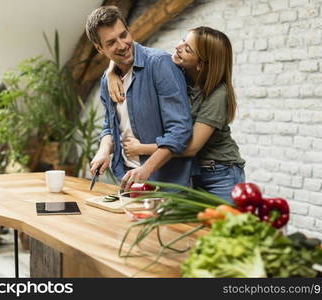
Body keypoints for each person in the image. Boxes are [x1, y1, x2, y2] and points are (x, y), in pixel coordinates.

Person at [107, 26, 245, 203]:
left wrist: (141, 148)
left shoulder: (218, 94)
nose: (178, 47)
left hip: (220, 173)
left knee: (221, 228)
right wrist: (111, 71)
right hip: (193, 172)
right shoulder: (181, 73)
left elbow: (192, 146)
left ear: (200, 64)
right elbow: (136, 52)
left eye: (187, 49)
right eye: (183, 40)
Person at [86, 6, 194, 191]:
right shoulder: (107, 80)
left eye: (123, 35)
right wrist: (104, 151)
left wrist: (146, 169)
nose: (122, 45)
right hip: (127, 180)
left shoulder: (160, 64)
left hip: (166, 184)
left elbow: (180, 131)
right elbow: (110, 126)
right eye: (111, 42)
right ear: (99, 49)